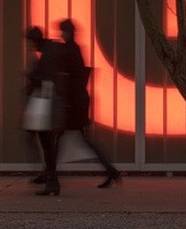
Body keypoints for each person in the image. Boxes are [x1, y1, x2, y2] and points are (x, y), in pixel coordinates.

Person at [57, 18, 121, 188]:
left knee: (63, 137)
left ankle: (49, 174)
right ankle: (111, 171)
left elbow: (69, 78)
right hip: (78, 101)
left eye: (62, 31)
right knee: (71, 138)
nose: (61, 34)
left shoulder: (70, 50)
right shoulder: (74, 49)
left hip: (74, 103)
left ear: (68, 32)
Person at [23, 26, 64, 196]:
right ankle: (51, 181)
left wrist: (31, 76)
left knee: (47, 145)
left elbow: (43, 78)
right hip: (49, 105)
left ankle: (52, 182)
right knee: (49, 145)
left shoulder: (47, 55)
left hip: (45, 106)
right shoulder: (50, 50)